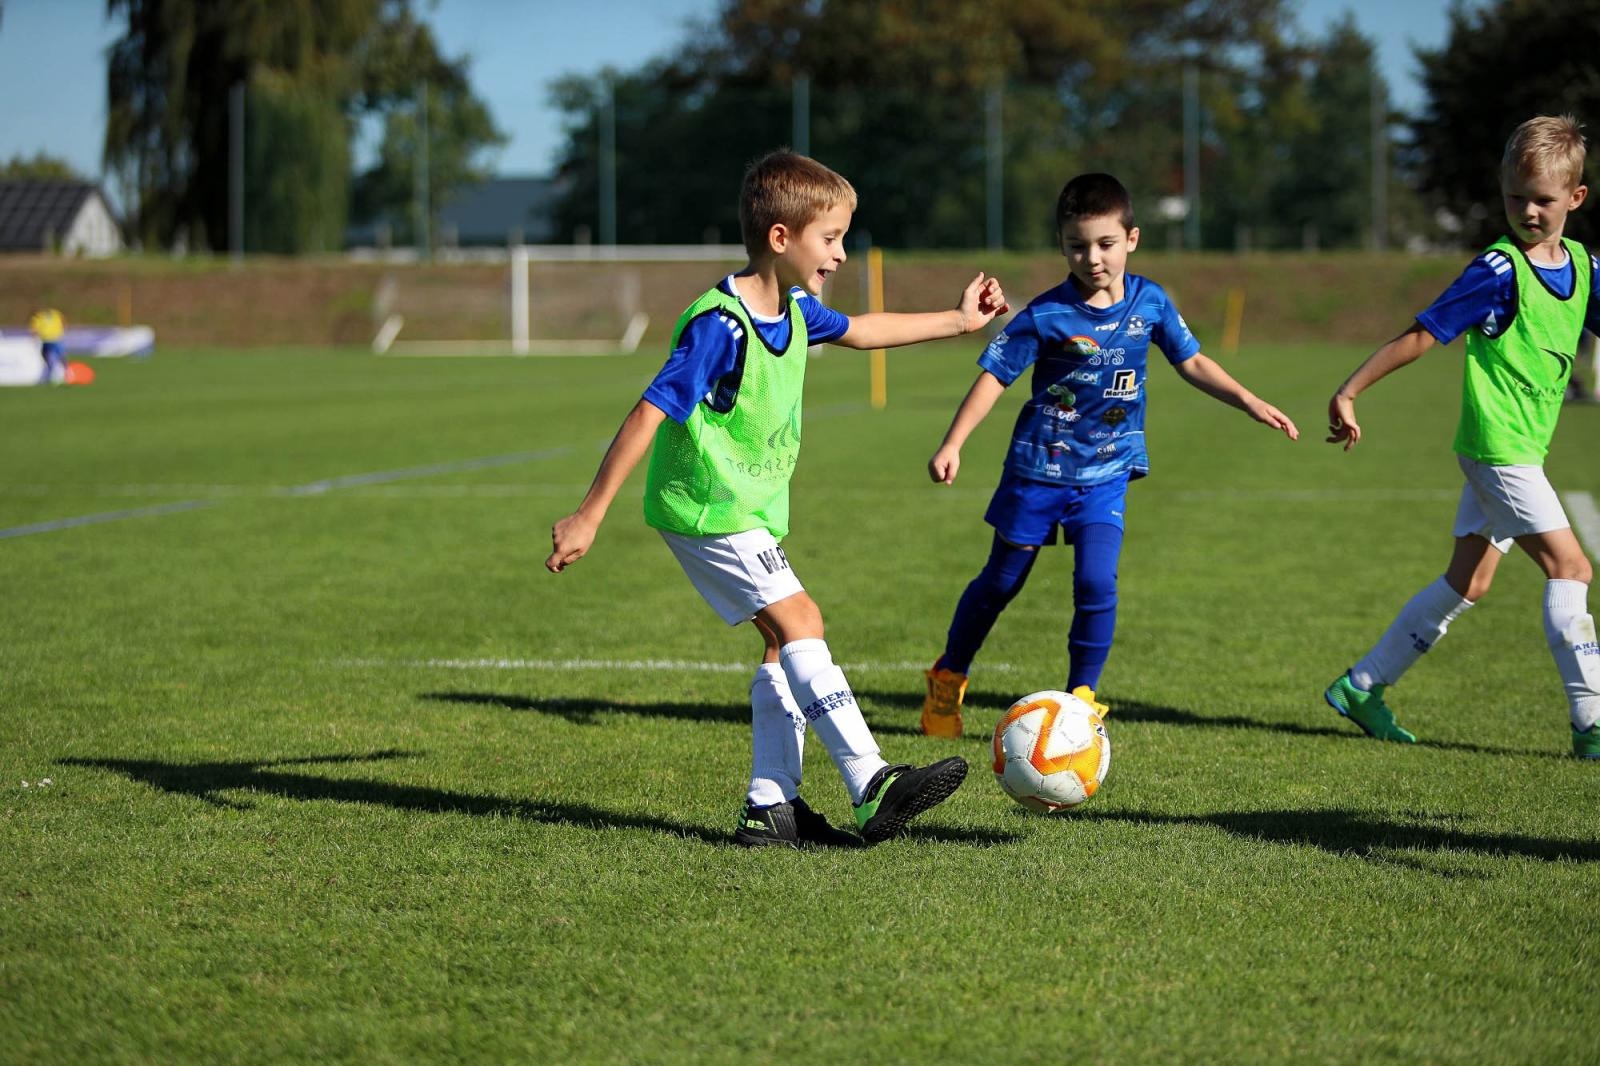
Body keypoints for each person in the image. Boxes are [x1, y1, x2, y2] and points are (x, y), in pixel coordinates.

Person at [545, 150, 1010, 846]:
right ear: (781, 237)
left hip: (747, 506)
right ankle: (871, 781)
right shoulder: (721, 325)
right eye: (832, 238)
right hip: (709, 507)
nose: (842, 254)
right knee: (801, 620)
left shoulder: (794, 309)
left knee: (779, 646)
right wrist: (590, 513)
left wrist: (959, 320)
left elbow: (862, 330)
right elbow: (650, 410)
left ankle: (771, 807)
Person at [920, 172, 1299, 737]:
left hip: (1107, 472)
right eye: (1077, 245)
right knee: (1001, 581)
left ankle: (1081, 698)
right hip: (1037, 468)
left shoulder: (1151, 302)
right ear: (1061, 245)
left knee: (1097, 581)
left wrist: (1248, 400)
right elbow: (995, 377)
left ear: (1132, 239)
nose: (1092, 258)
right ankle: (948, 676)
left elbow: (1192, 361)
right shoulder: (1045, 315)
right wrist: (953, 443)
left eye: (1105, 243)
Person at [1324, 114, 1600, 758]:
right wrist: (1350, 389)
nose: (1527, 211)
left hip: (1519, 451)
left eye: (1542, 199)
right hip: (1499, 451)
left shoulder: (1587, 268)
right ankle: (1591, 723)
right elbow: (1423, 334)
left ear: (1576, 198)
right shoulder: (1498, 271)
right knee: (1571, 567)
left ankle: (1361, 686)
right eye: (1515, 197)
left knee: (1468, 582)